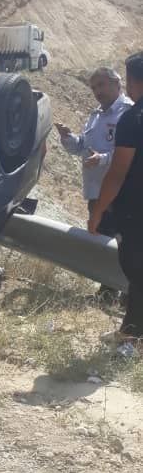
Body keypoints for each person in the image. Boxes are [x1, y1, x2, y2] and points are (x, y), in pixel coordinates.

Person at [56, 66, 132, 297]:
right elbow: (82, 147)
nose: (97, 91)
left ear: (117, 84)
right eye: (93, 87)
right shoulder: (95, 115)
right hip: (96, 192)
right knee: (101, 242)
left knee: (124, 245)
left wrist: (102, 159)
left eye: (101, 85)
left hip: (120, 193)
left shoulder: (129, 113)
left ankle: (127, 295)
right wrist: (68, 138)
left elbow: (130, 154)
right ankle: (107, 292)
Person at [91, 53, 143, 342]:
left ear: (133, 81)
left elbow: (118, 172)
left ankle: (131, 336)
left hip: (135, 213)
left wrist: (98, 211)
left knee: (136, 270)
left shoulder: (133, 119)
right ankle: (130, 333)